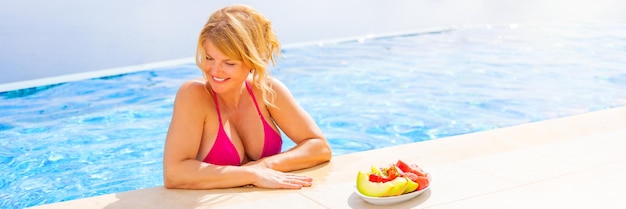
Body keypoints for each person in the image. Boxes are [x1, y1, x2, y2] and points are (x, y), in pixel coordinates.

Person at [162, 4, 332, 190]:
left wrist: (265, 166)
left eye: (229, 63)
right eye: (209, 58)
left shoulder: (266, 90)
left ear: (252, 61)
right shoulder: (194, 95)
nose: (215, 71)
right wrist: (251, 174)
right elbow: (174, 173)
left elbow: (319, 147)